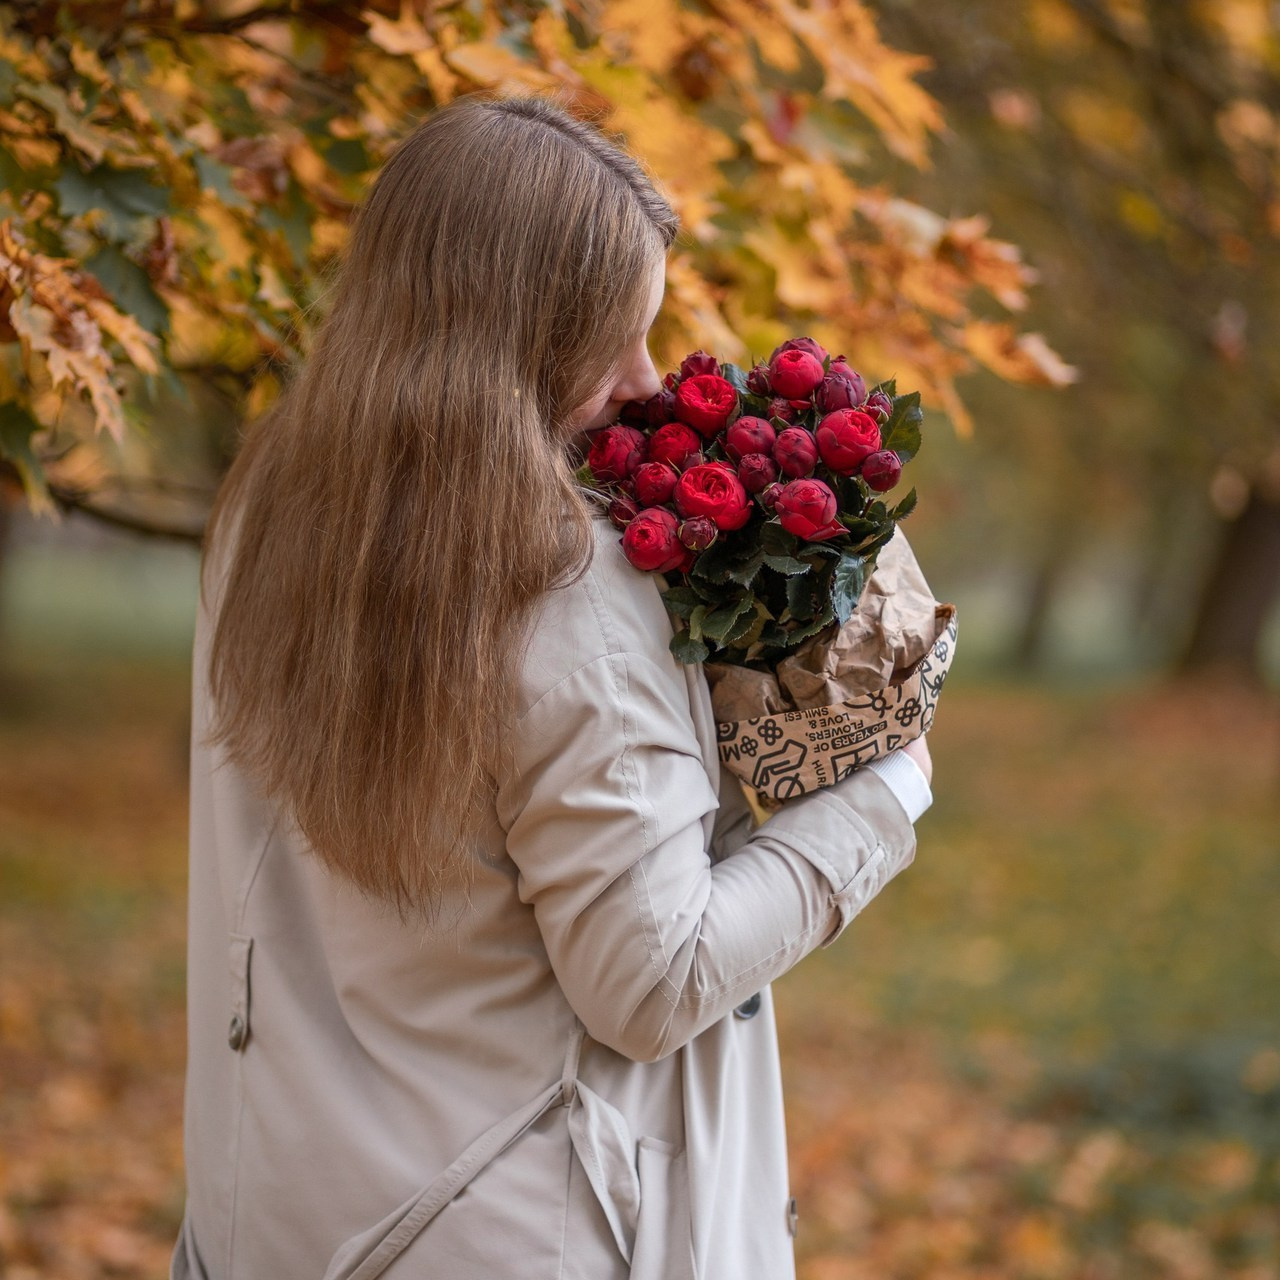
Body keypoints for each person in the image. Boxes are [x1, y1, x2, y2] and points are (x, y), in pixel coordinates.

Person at [169, 92, 935, 1280]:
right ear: (512, 336)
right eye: (612, 338)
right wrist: (883, 796)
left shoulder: (275, 504)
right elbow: (655, 976)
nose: (642, 378)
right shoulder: (561, 589)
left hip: (271, 1211)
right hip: (511, 1228)